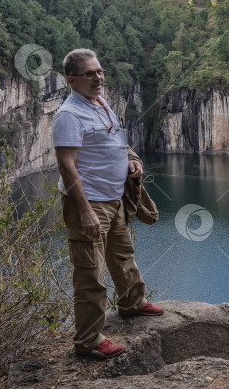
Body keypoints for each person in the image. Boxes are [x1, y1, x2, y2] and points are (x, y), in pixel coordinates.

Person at [52, 48, 163, 359]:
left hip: (112, 199)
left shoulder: (100, 104)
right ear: (72, 80)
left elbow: (116, 141)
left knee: (122, 255)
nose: (98, 77)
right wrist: (85, 210)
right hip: (90, 203)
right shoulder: (69, 115)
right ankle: (88, 340)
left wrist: (131, 160)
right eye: (90, 73)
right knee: (89, 273)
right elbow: (66, 165)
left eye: (99, 71)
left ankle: (132, 302)